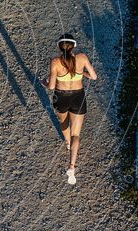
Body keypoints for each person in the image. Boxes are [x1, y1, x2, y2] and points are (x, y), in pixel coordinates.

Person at [41, 33, 97, 185]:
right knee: (76, 134)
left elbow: (51, 86)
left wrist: (43, 82)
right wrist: (82, 73)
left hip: (61, 96)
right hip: (78, 97)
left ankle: (67, 143)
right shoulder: (82, 58)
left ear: (59, 47)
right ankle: (72, 166)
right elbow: (94, 77)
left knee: (63, 122)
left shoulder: (55, 62)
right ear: (74, 46)